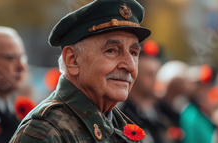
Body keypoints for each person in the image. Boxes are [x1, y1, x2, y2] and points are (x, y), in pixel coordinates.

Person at [9, 0, 151, 142]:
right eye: (112, 50)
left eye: (133, 52)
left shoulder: (120, 124)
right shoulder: (44, 132)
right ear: (72, 60)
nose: (130, 66)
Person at [120, 41, 165, 143]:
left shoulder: (159, 111)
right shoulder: (122, 116)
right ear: (134, 76)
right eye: (150, 74)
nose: (156, 79)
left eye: (157, 73)